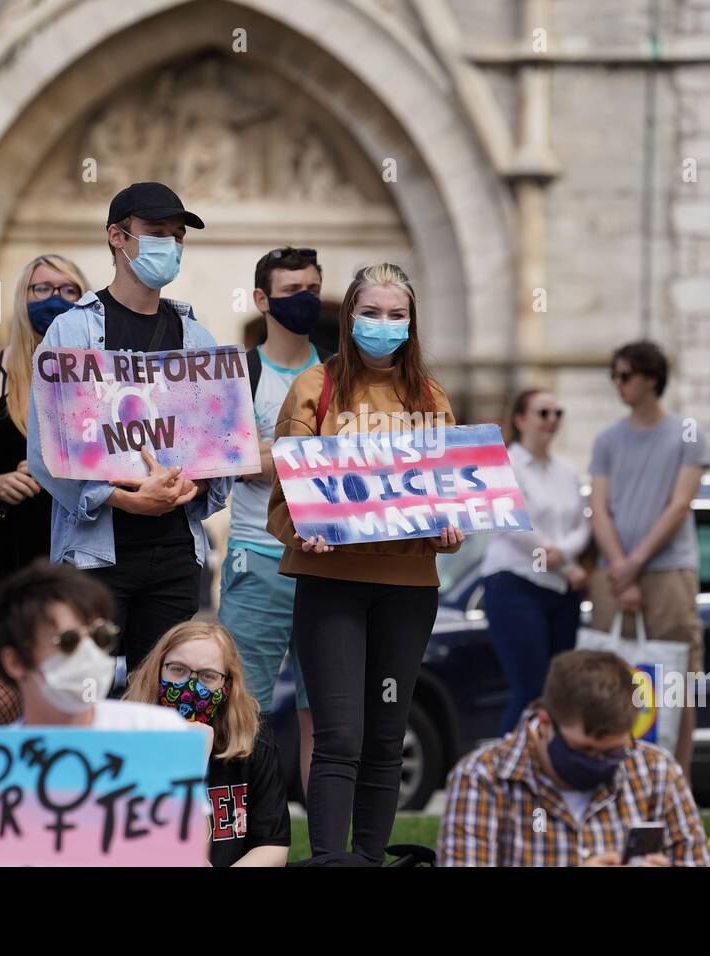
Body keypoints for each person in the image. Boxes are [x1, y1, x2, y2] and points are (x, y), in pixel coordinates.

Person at [266, 263, 464, 863]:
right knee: (339, 737)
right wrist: (304, 530)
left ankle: (371, 858)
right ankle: (329, 860)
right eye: (371, 312)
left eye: (396, 314)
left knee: (385, 736)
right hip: (331, 588)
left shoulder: (431, 399)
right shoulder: (312, 389)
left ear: (412, 322)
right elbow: (283, 503)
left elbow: (451, 508)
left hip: (407, 590)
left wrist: (451, 525)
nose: (383, 324)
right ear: (350, 317)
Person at [27, 182, 230, 674]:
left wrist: (188, 486)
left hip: (176, 555)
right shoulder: (72, 333)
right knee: (87, 689)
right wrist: (126, 499)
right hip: (97, 557)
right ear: (117, 237)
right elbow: (48, 450)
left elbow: (216, 447)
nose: (171, 245)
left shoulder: (196, 337)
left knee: (163, 697)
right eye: (156, 232)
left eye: (177, 235)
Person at [0, 560, 211, 866]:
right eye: (68, 642)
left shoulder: (158, 734)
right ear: (15, 661)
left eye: (100, 636)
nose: (88, 653)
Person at [0, 253, 89, 724]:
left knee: (67, 703)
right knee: (0, 706)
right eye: (42, 289)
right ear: (21, 298)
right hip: (4, 560)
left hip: (74, 556)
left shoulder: (97, 373)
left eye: (69, 290)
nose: (56, 299)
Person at [220, 247, 330, 792]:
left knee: (323, 718)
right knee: (243, 711)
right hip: (256, 559)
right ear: (262, 300)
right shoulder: (241, 372)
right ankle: (244, 836)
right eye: (291, 292)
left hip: (329, 564)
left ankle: (325, 849)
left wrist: (271, 452)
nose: (304, 300)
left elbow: (351, 459)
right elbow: (227, 458)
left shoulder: (339, 372)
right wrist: (309, 451)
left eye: (312, 288)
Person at [439, 649, 709, 867]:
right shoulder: (483, 777)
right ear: (545, 721)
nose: (600, 762)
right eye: (585, 750)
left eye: (613, 752)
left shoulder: (655, 770)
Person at [588, 341, 710, 776]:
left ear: (651, 379)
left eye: (625, 376)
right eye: (614, 376)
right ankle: (609, 773)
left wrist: (633, 563)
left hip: (669, 572)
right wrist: (621, 568)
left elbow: (680, 505)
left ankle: (673, 783)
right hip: (614, 573)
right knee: (609, 675)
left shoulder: (688, 433)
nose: (618, 385)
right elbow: (599, 508)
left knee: (676, 680)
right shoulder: (606, 440)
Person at [124, 620, 290, 866]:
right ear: (157, 670)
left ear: (227, 685)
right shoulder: (124, 738)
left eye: (208, 676)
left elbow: (272, 846)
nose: (190, 687)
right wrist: (192, 765)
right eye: (177, 669)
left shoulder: (253, 740)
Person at [478, 389, 591, 733]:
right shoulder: (503, 464)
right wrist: (559, 560)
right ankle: (508, 776)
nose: (552, 421)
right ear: (520, 420)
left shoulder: (566, 471)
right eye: (543, 413)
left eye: (558, 413)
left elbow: (582, 525)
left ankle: (546, 776)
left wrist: (563, 555)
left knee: (557, 694)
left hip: (559, 590)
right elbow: (514, 521)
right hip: (516, 584)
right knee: (529, 692)